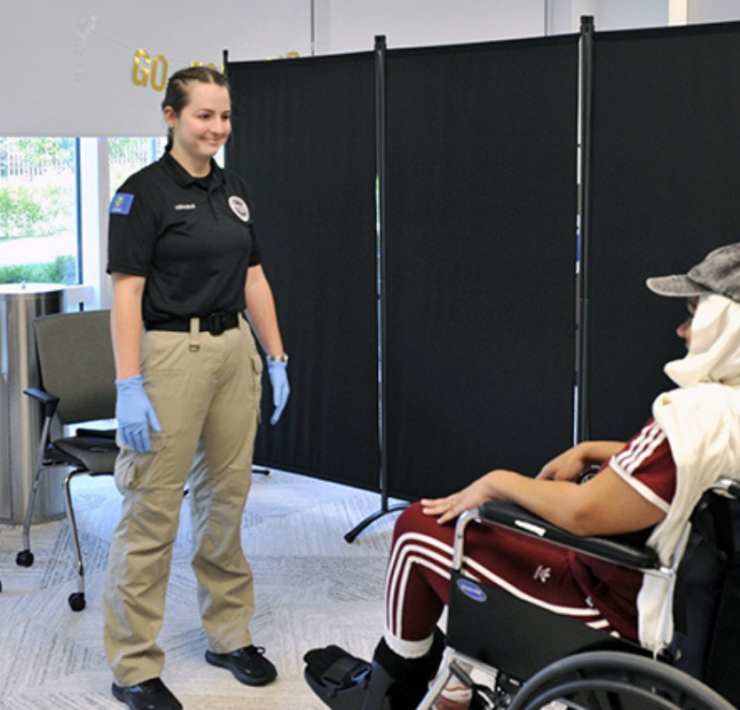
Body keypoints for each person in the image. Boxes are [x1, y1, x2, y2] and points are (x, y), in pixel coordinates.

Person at [304, 243, 740, 710]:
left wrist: (495, 482)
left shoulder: (696, 414)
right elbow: (682, 472)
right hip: (695, 617)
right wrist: (591, 450)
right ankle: (451, 692)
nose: (681, 328)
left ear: (726, 326)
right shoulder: (726, 412)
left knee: (417, 529)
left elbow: (584, 513)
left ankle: (385, 695)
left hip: (617, 609)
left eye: (693, 314)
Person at [104, 66, 290, 710]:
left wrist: (276, 354)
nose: (216, 127)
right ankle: (132, 665)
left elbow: (254, 277)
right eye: (203, 115)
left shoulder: (233, 189)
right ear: (170, 116)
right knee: (151, 510)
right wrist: (129, 383)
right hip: (169, 354)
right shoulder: (141, 194)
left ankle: (228, 633)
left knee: (226, 500)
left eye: (225, 116)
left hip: (233, 351)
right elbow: (125, 296)